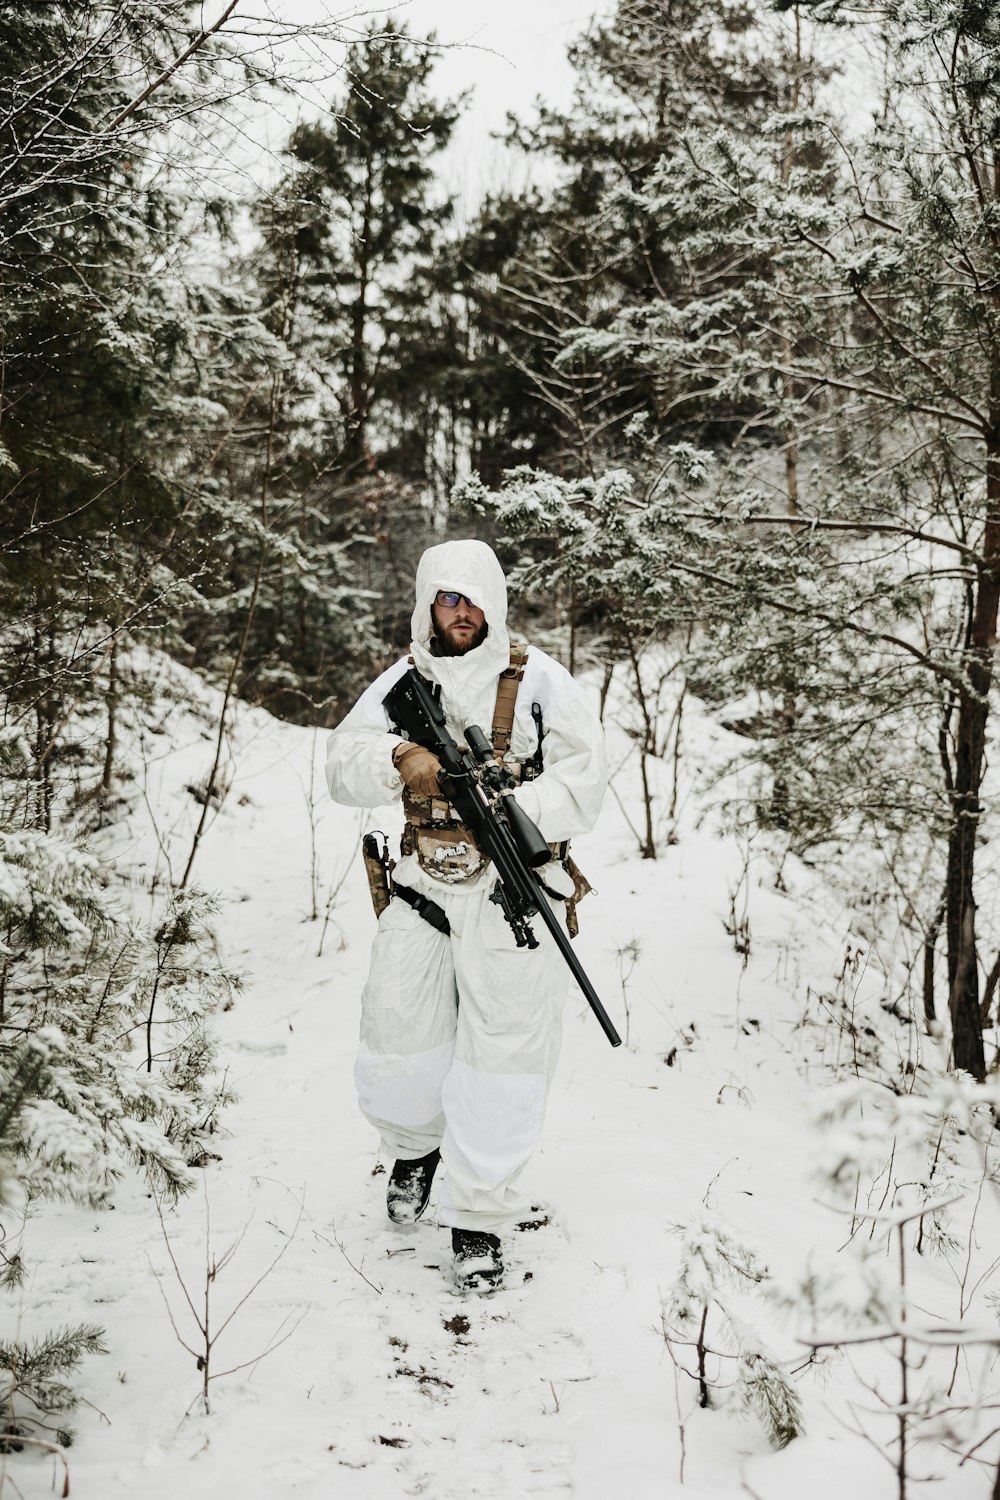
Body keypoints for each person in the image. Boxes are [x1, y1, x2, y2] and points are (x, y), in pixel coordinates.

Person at [326, 538, 607, 1292]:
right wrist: (398, 759)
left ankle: (478, 1217)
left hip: (509, 892)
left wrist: (512, 810)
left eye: (472, 598)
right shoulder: (403, 680)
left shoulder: (542, 681)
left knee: (504, 1055)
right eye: (446, 599)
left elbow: (586, 783)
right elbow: (341, 764)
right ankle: (416, 1151)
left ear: (494, 602)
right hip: (420, 883)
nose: (461, 612)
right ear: (427, 605)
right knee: (398, 1032)